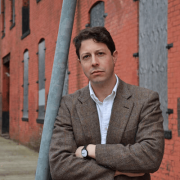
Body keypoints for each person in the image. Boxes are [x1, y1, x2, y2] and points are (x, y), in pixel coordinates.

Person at [49, 27, 164, 180]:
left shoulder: (145, 100)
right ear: (80, 63)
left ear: (114, 57)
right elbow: (59, 166)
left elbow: (150, 156)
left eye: (100, 54)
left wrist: (90, 150)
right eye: (86, 57)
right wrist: (116, 173)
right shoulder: (69, 105)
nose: (94, 62)